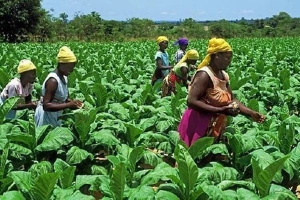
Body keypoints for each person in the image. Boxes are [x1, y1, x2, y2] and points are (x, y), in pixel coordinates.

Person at [178, 38, 265, 147]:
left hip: (215, 125)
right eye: (227, 58)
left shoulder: (223, 75)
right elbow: (191, 101)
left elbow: (232, 99)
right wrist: (220, 110)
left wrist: (250, 113)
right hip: (198, 125)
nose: (229, 61)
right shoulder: (204, 75)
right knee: (195, 158)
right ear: (217, 55)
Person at [35, 46, 83, 127]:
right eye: (70, 67)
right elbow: (46, 106)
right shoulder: (53, 81)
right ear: (61, 64)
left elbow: (65, 99)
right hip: (46, 116)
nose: (72, 70)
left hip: (56, 115)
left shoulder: (64, 77)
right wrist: (69, 105)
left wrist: (76, 104)